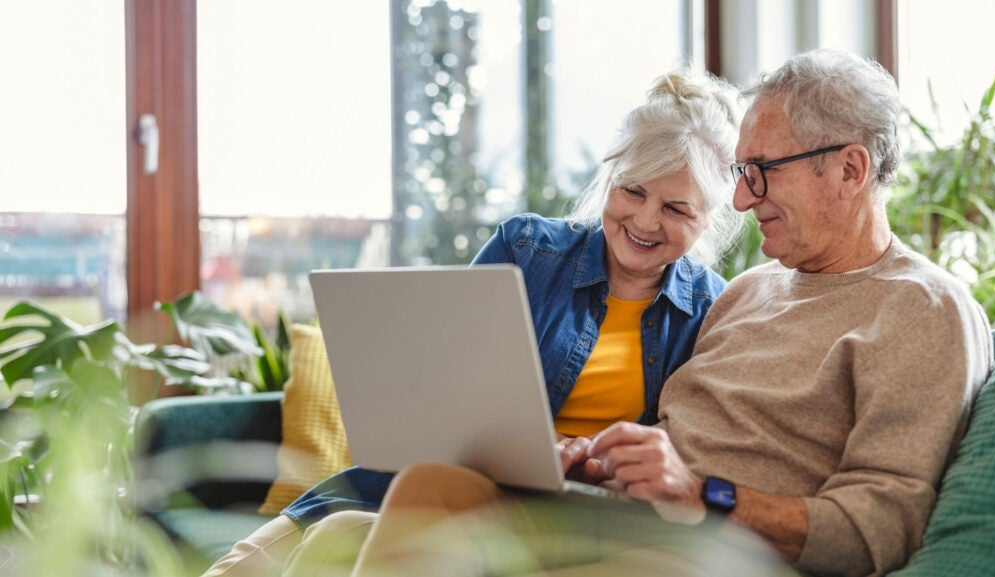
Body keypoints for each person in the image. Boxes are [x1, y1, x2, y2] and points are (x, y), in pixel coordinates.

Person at [262, 48, 995, 577]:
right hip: (615, 510)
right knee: (425, 491)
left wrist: (701, 493)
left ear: (850, 168)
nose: (739, 200)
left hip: (716, 549)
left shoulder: (924, 309)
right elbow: (673, 435)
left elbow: (879, 528)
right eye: (742, 174)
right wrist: (606, 455)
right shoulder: (750, 292)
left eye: (759, 172)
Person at [201, 66, 747, 577]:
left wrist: (596, 461)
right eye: (633, 190)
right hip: (431, 483)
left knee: (336, 539)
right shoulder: (527, 249)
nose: (646, 220)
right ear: (609, 180)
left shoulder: (712, 312)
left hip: (564, 513)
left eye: (677, 209)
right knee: (258, 561)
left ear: (709, 219)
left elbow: (682, 456)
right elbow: (443, 393)